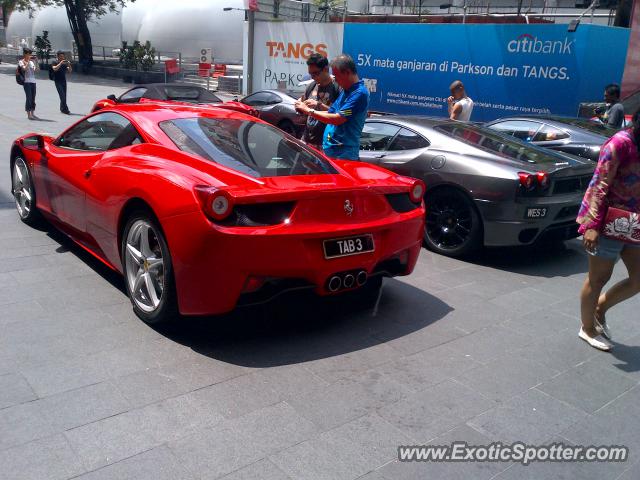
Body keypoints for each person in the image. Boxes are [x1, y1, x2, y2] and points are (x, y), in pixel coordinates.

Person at [577, 108, 640, 351]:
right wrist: (592, 225)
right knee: (598, 278)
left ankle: (600, 308)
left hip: (633, 222)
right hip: (606, 221)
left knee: (637, 280)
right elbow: (600, 184)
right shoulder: (620, 143)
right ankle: (587, 328)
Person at [294, 54, 369, 160]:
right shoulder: (347, 91)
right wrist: (305, 109)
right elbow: (331, 113)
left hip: (343, 153)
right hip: (331, 151)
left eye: (337, 76)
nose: (336, 80)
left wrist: (309, 111)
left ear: (347, 72)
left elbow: (338, 118)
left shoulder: (359, 94)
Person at [298, 53, 340, 149]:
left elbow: (339, 115)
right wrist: (299, 106)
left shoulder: (337, 87)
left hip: (326, 143)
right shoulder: (311, 86)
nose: (312, 77)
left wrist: (318, 105)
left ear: (326, 69)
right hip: (307, 140)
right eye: (310, 73)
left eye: (316, 73)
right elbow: (303, 109)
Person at [18, 48, 39, 120]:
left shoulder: (32, 62)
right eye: (28, 54)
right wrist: (28, 61)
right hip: (26, 82)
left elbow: (36, 70)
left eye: (30, 54)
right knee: (29, 98)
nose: (29, 55)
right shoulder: (21, 61)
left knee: (33, 98)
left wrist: (36, 62)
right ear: (25, 54)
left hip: (33, 82)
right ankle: (28, 114)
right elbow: (24, 69)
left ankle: (33, 113)